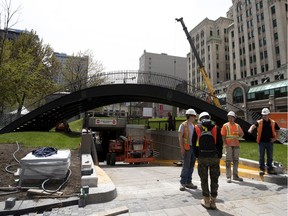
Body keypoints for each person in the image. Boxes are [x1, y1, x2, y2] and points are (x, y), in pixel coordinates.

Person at [192, 112, 223, 210]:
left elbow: (193, 143)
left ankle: (206, 200)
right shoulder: (216, 128)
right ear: (209, 118)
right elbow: (220, 143)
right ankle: (213, 201)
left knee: (203, 179)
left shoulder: (196, 128)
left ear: (200, 119)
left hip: (202, 156)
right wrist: (219, 155)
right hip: (214, 156)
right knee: (215, 179)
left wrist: (197, 155)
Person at [248, 108, 280, 175]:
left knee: (270, 156)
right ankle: (262, 169)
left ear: (269, 115)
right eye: (263, 115)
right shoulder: (259, 122)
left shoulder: (273, 122)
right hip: (261, 142)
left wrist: (275, 138)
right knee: (261, 156)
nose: (264, 116)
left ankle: (270, 169)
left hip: (270, 142)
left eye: (265, 115)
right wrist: (250, 129)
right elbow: (254, 125)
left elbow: (278, 130)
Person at [221, 111, 244, 183]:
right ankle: (228, 177)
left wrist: (237, 137)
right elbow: (223, 135)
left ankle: (235, 176)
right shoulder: (225, 125)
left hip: (236, 145)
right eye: (229, 117)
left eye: (231, 117)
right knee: (228, 161)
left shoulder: (237, 126)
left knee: (236, 161)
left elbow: (242, 134)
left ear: (234, 118)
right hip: (228, 145)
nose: (230, 119)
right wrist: (225, 144)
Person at [178, 108, 198, 191]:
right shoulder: (183, 125)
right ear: (190, 116)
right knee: (186, 166)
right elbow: (180, 137)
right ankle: (183, 183)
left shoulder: (193, 126)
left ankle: (188, 182)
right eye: (194, 116)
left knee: (191, 166)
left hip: (193, 148)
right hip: (187, 148)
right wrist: (182, 148)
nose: (195, 117)